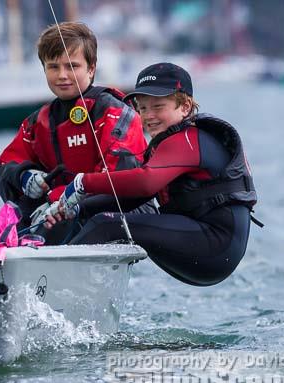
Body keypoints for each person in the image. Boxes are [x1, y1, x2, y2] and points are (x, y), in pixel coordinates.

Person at [46, 62, 260, 286]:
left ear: (185, 107)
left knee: (106, 225)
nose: (148, 116)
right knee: (94, 217)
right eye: (142, 108)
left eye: (158, 106)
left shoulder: (188, 139)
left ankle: (50, 285)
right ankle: (52, 274)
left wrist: (83, 182)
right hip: (210, 250)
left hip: (216, 245)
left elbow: (145, 183)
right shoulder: (168, 145)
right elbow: (132, 198)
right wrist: (75, 207)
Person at [0, 22, 149, 236]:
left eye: (72, 66)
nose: (62, 75)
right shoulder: (37, 121)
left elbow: (119, 178)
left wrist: (56, 198)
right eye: (53, 67)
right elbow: (6, 166)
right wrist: (23, 176)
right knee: (1, 225)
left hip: (122, 213)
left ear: (91, 68)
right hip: (60, 214)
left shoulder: (113, 111)